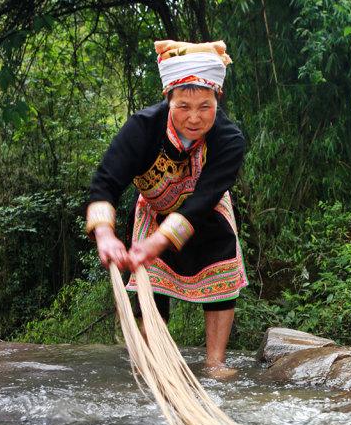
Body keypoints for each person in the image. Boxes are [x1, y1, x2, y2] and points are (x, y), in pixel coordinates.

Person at [86, 39, 247, 375]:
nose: (194, 118)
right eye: (183, 106)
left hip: (208, 212)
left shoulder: (229, 139)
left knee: (223, 265)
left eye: (205, 107)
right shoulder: (141, 129)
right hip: (154, 208)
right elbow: (106, 182)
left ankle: (215, 362)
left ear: (217, 99)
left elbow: (202, 201)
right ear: (168, 100)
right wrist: (104, 233)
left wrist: (158, 241)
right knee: (148, 281)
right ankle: (153, 362)